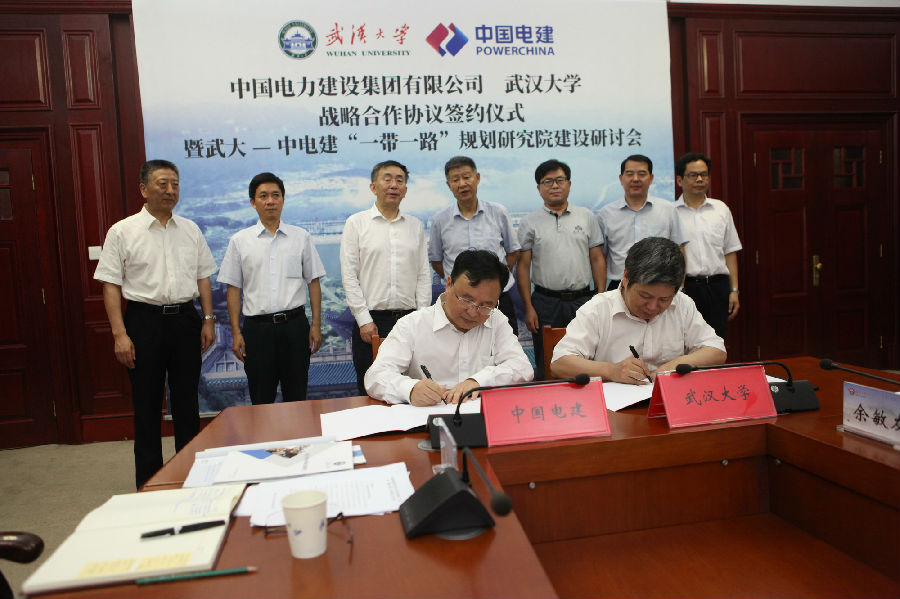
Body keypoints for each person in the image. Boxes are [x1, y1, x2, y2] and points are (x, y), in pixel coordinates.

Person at [94, 159, 217, 489]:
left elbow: (203, 277)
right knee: (147, 405)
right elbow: (110, 284)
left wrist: (208, 319)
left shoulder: (190, 229)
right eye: (163, 184)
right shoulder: (122, 231)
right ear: (144, 189)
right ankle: (149, 484)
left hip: (185, 321)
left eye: (175, 184)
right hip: (143, 322)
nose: (170, 190)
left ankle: (191, 477)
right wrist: (120, 334)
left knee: (187, 403)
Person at [365, 249, 533, 405]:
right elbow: (375, 376)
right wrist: (410, 389)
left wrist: (479, 381)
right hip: (428, 419)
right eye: (466, 300)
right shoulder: (413, 325)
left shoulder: (496, 320)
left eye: (485, 306)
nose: (473, 312)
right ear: (449, 284)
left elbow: (522, 367)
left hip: (483, 419)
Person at [550, 237, 725, 384]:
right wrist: (611, 371)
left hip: (669, 402)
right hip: (615, 408)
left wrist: (676, 365)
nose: (653, 307)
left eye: (664, 300)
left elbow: (717, 351)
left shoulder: (682, 304)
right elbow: (559, 364)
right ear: (626, 277)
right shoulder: (598, 309)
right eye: (645, 296)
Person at [217, 172, 325, 404]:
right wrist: (236, 332)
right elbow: (233, 289)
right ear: (253, 202)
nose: (270, 201)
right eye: (263, 196)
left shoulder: (301, 237)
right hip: (258, 331)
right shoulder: (240, 241)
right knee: (261, 397)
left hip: (295, 327)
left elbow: (313, 282)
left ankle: (297, 431)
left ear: (283, 200)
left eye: (275, 195)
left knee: (297, 396)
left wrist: (316, 324)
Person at [340, 160, 432, 396]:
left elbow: (423, 275)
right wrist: (363, 320)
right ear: (373, 187)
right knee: (371, 388)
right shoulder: (356, 223)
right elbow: (349, 275)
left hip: (409, 320)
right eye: (387, 179)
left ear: (405, 190)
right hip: (372, 323)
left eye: (399, 180)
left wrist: (422, 318)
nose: (393, 185)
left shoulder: (415, 226)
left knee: (411, 388)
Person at [517, 159, 606, 380]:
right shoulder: (529, 222)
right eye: (548, 181)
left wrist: (601, 296)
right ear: (539, 188)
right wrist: (529, 307)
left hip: (582, 300)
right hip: (545, 303)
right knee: (546, 358)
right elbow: (523, 266)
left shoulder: (586, 216)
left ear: (569, 184)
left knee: (586, 355)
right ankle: (547, 395)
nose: (555, 185)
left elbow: (597, 258)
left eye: (560, 180)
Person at [429, 156, 521, 335]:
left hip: (498, 299)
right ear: (449, 185)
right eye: (455, 180)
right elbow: (437, 262)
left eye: (466, 177)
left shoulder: (498, 212)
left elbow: (513, 251)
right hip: (459, 302)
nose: (462, 184)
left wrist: (495, 278)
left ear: (477, 178)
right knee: (457, 346)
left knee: (504, 346)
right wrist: (460, 284)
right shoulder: (440, 220)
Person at [674, 152, 742, 338]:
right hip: (687, 288)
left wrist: (734, 290)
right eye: (693, 175)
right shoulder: (671, 212)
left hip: (718, 286)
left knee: (716, 340)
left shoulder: (721, 209)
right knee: (686, 340)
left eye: (704, 174)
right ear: (679, 180)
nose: (699, 179)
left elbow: (730, 251)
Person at [597, 154, 688, 290]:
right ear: (621, 179)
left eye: (641, 174)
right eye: (630, 174)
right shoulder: (606, 214)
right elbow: (600, 257)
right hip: (618, 286)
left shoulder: (668, 210)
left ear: (651, 178)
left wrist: (679, 288)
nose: (635, 179)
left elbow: (679, 251)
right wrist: (601, 292)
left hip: (660, 286)